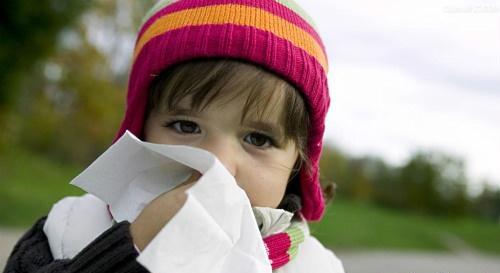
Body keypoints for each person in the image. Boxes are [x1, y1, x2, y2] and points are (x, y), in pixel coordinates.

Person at [3, 0, 344, 272]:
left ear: (298, 165)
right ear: (140, 128)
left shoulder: (314, 266)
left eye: (257, 139)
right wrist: (130, 249)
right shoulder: (70, 228)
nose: (218, 168)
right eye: (186, 126)